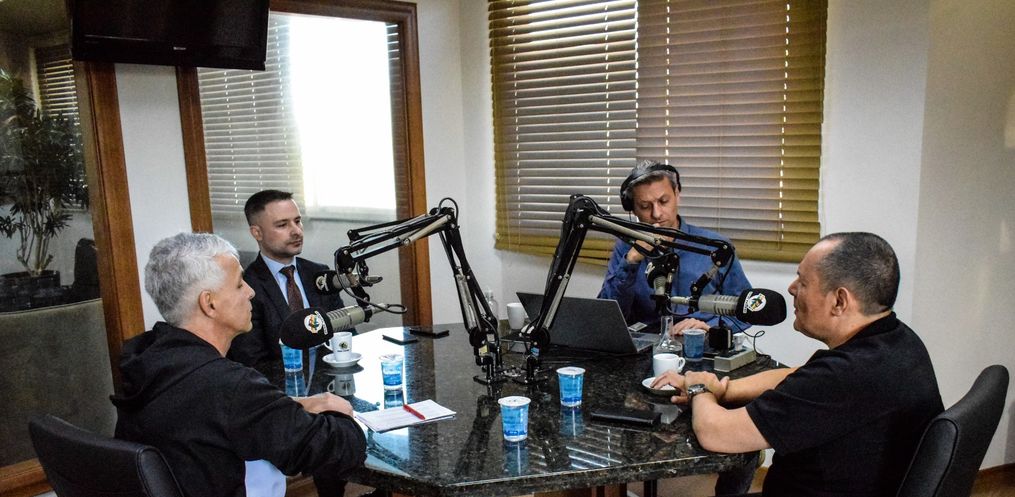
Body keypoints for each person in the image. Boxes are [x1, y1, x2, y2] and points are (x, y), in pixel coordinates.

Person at [653, 232, 944, 496]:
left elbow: (716, 433)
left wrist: (700, 387)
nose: (792, 289)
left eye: (803, 282)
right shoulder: (898, 341)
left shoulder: (844, 376)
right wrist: (724, 389)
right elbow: (799, 376)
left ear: (839, 301)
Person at [111, 232, 366, 497]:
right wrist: (340, 413)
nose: (250, 291)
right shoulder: (230, 387)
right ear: (209, 303)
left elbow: (214, 415)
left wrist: (291, 405)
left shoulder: (149, 362)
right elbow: (340, 450)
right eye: (239, 284)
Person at [598, 161, 753, 336]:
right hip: (648, 344)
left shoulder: (716, 247)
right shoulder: (626, 249)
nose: (656, 214)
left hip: (700, 342)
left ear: (677, 194)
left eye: (663, 201)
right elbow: (607, 317)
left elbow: (747, 310)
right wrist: (630, 262)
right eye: (645, 206)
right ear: (632, 209)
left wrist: (710, 328)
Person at [228, 189, 349, 366]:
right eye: (282, 225)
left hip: (331, 374)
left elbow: (345, 332)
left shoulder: (319, 274)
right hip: (281, 380)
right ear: (257, 233)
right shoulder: (247, 287)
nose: (296, 231)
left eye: (297, 221)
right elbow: (253, 361)